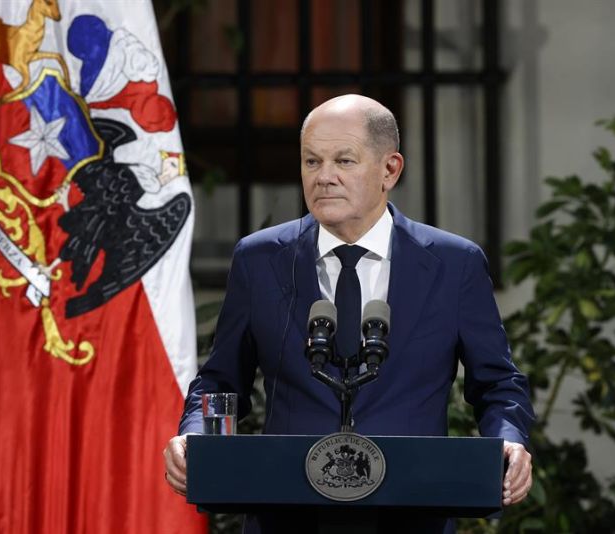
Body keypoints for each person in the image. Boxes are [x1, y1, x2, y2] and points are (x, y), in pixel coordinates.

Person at [164, 94, 534, 532]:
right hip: (288, 516)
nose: (324, 178)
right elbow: (222, 379)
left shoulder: (454, 264)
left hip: (411, 513)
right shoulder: (260, 259)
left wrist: (509, 441)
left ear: (389, 170)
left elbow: (497, 383)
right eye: (311, 161)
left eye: (344, 161)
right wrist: (197, 434)